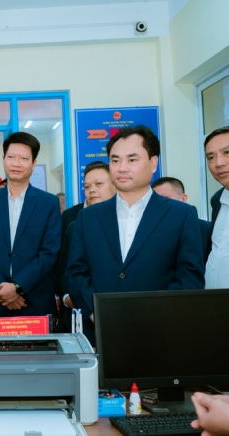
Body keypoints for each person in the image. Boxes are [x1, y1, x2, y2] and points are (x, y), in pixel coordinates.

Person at [67, 126, 205, 344]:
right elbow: (76, 273)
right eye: (115, 160)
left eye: (132, 160)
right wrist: (98, 313)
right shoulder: (88, 217)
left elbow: (190, 276)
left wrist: (152, 316)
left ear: (153, 163)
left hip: (162, 334)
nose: (122, 168)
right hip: (102, 333)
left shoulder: (181, 214)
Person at [0, 131, 61, 318]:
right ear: (3, 159)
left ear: (34, 163)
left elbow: (49, 252)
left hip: (35, 300)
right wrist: (1, 290)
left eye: (24, 158)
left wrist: (18, 287)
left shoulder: (49, 203)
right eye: (11, 157)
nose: (16, 163)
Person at [55, 162, 116, 332]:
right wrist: (67, 297)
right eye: (87, 186)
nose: (92, 190)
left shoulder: (130, 223)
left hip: (118, 307)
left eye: (99, 184)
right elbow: (64, 267)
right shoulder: (74, 224)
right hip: (80, 314)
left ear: (115, 185)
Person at [152, 176, 212, 256]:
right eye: (155, 200)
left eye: (165, 199)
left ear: (183, 199)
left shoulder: (206, 229)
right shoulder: (151, 231)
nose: (160, 204)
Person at [204, 126, 229, 289]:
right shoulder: (217, 200)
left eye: (227, 152)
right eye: (211, 157)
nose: (218, 163)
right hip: (214, 302)